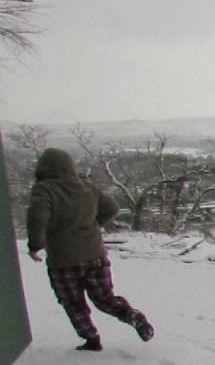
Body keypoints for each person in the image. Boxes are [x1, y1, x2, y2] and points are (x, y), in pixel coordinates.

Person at [26, 148, 154, 351]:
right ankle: (131, 315)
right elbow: (112, 208)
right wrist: (94, 225)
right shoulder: (86, 186)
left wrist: (35, 245)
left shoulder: (44, 189)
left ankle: (91, 339)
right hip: (95, 255)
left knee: (72, 302)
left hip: (63, 261)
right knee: (105, 298)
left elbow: (37, 216)